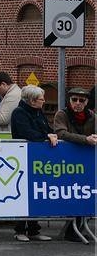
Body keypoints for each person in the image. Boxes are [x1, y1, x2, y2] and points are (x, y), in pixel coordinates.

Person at [10, 85, 56, 242]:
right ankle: (20, 229)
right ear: (32, 100)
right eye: (41, 99)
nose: (44, 101)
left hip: (38, 158)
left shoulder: (38, 112)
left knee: (35, 193)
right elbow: (26, 132)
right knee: (23, 192)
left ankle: (34, 229)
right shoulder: (19, 113)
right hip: (23, 157)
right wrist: (46, 137)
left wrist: (50, 134)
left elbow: (47, 128)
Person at [53, 87, 97, 241]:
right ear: (69, 101)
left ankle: (78, 226)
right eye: (74, 100)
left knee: (87, 193)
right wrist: (85, 140)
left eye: (82, 100)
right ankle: (71, 230)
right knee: (71, 193)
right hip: (66, 162)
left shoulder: (92, 116)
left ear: (86, 102)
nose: (78, 103)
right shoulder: (62, 114)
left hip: (86, 162)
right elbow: (61, 133)